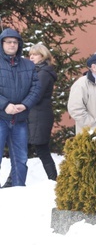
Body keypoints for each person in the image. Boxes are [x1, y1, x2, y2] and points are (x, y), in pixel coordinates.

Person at [0, 29, 41, 187]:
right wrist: (5, 105)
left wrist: (24, 105)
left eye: (15, 42)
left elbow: (36, 88)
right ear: (2, 44)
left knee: (21, 159)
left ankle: (19, 191)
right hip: (1, 118)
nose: (12, 45)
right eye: (8, 42)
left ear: (19, 45)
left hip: (20, 120)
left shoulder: (28, 65)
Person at [26, 43, 58, 181]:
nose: (31, 57)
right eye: (30, 55)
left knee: (41, 150)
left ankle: (54, 180)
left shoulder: (43, 73)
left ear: (43, 56)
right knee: (25, 150)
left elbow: (36, 95)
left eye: (35, 54)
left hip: (39, 116)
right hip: (35, 115)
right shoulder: (38, 71)